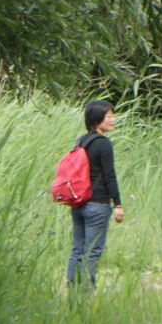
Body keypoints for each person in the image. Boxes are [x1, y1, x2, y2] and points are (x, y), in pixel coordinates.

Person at [66, 100, 125, 288]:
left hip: (79, 203)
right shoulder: (103, 144)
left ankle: (73, 290)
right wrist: (118, 204)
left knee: (78, 250)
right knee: (92, 251)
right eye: (109, 116)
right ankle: (86, 292)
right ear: (97, 119)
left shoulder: (82, 141)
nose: (113, 120)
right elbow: (109, 176)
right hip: (97, 204)